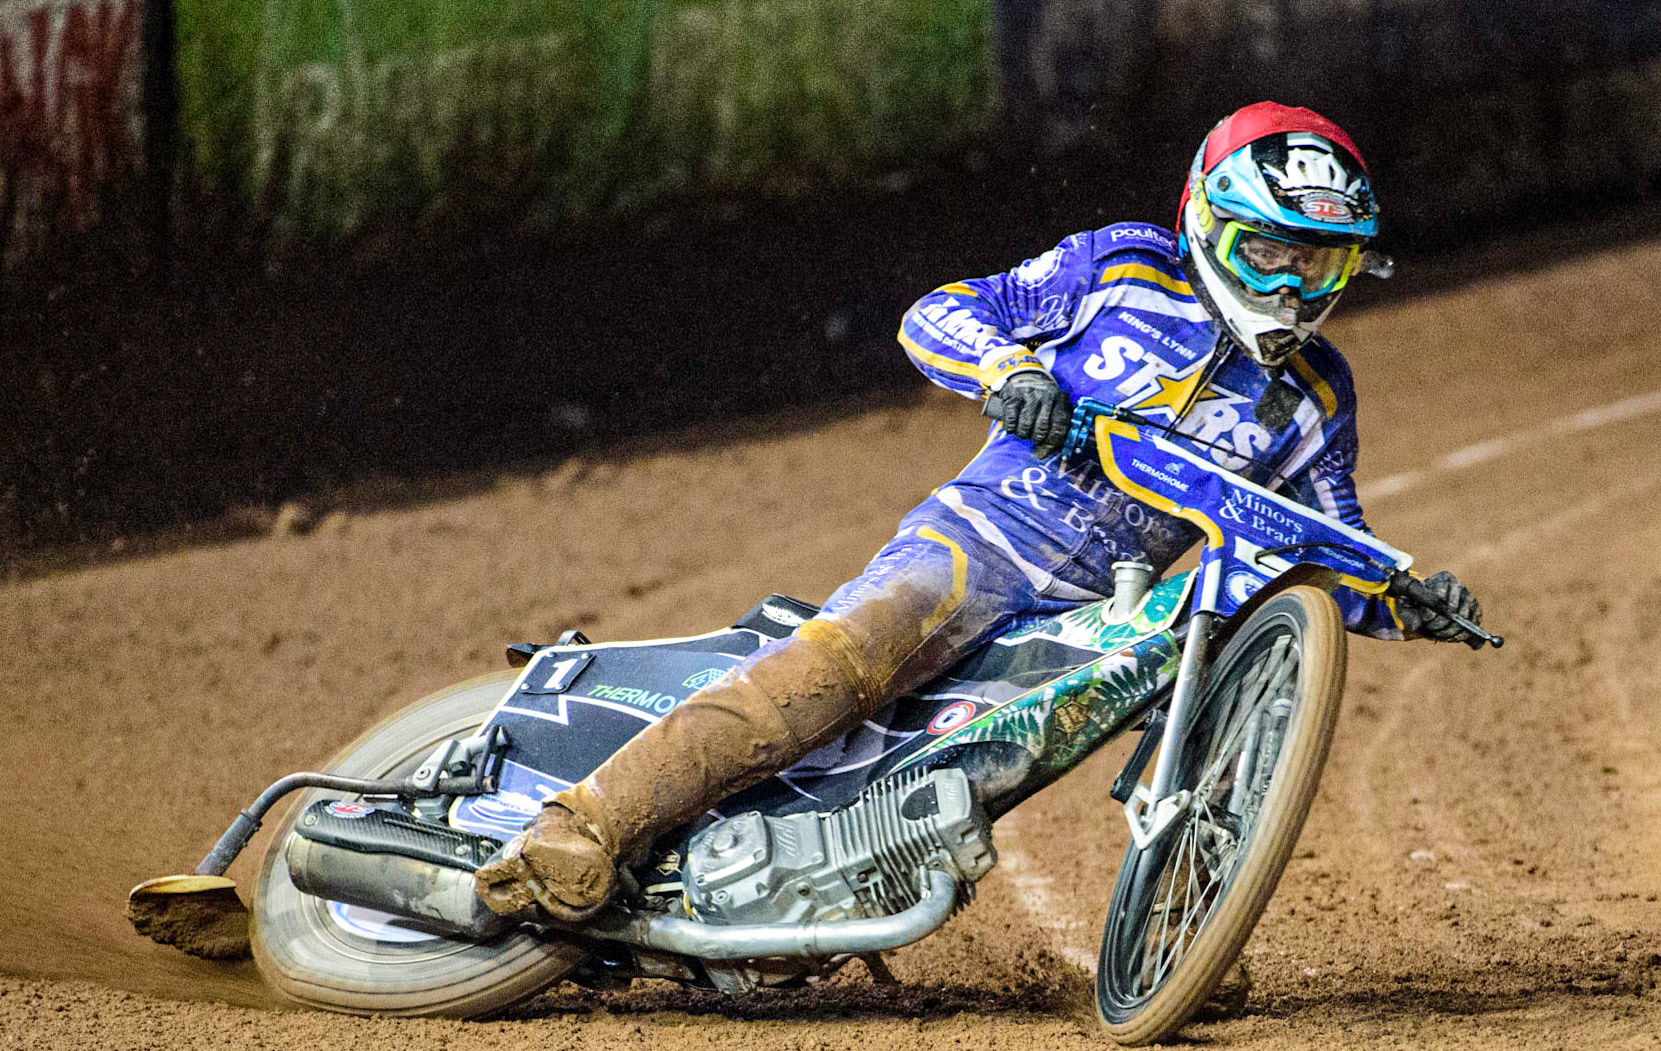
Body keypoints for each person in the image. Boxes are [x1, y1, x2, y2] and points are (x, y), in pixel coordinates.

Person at [474, 102, 1482, 920]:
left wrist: (1400, 599)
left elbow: (1324, 535)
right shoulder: (1121, 267)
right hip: (977, 543)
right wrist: (1005, 370)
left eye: (1323, 262)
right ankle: (581, 825)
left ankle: (1190, 916)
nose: (1294, 285)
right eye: (1270, 250)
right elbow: (940, 313)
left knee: (1204, 679)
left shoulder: (1313, 395)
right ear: (1205, 222)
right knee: (843, 662)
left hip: (1102, 611)